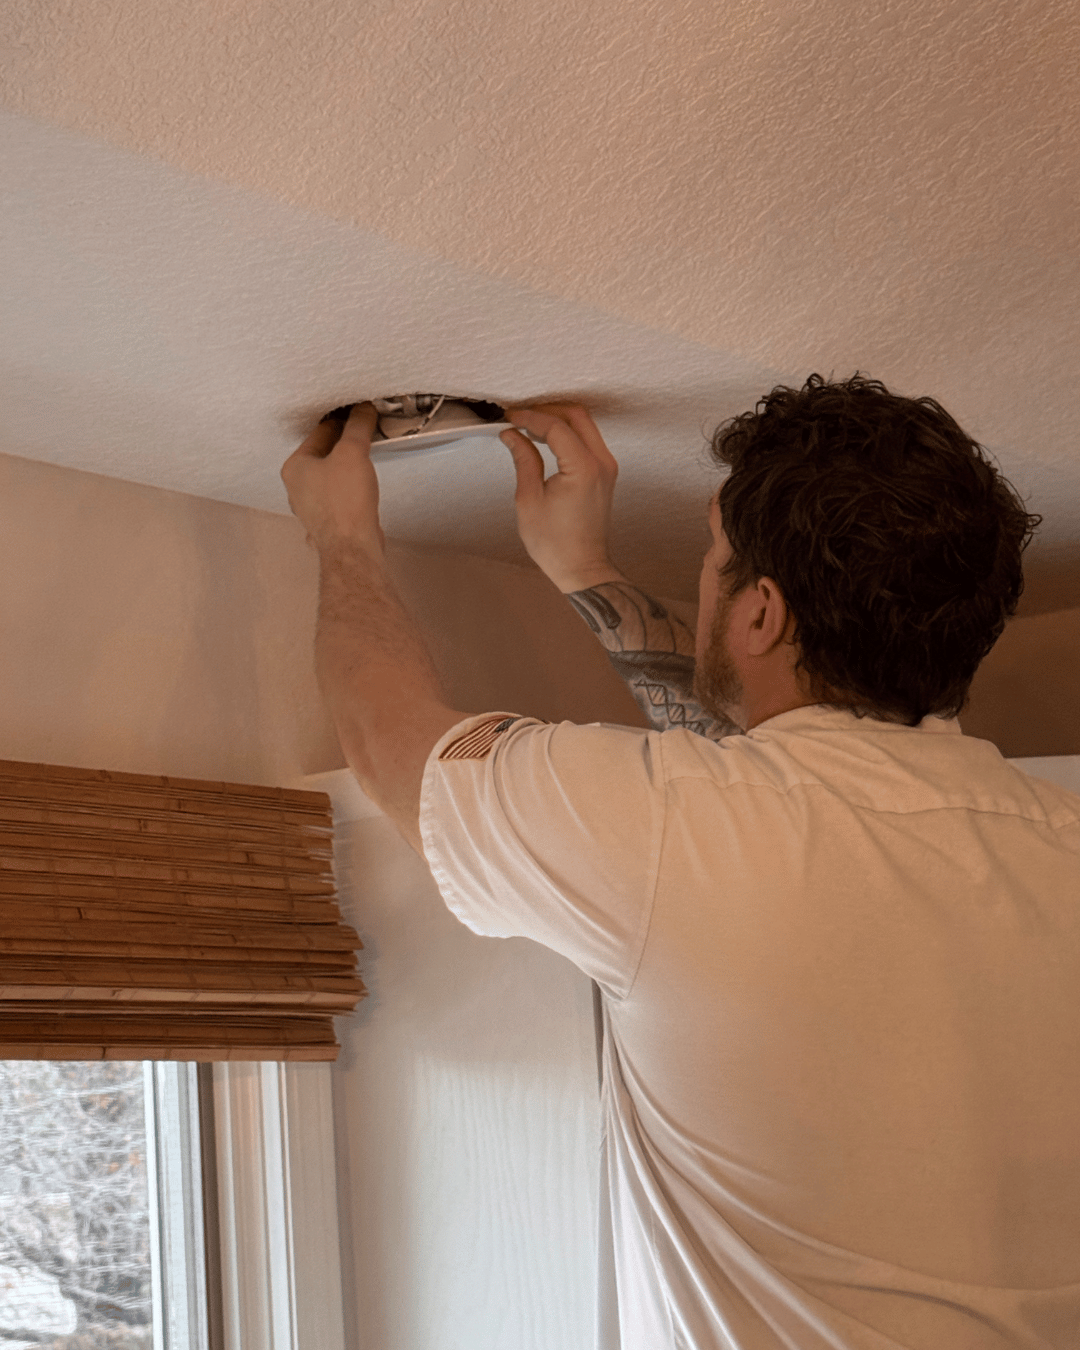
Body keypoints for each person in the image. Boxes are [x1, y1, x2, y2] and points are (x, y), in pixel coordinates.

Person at [415, 374, 1080, 1348]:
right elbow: (763, 782)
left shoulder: (681, 831)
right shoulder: (1056, 838)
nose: (704, 576)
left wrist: (337, 534)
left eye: (713, 558)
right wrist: (585, 575)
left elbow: (398, 753)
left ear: (761, 615)